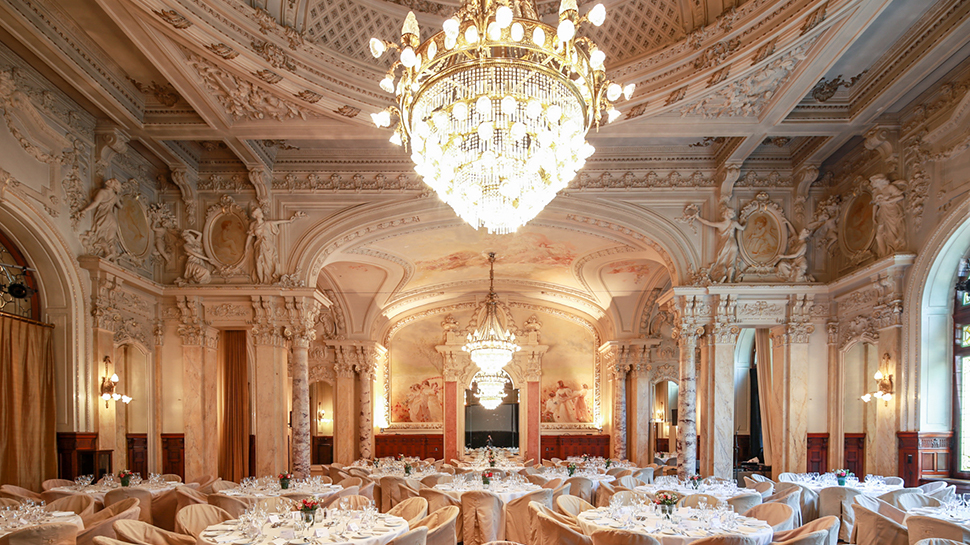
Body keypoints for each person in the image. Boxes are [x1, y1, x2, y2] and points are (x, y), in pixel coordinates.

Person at [691, 205, 746, 283]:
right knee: (731, 262)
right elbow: (742, 228)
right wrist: (744, 221)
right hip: (733, 243)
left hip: (724, 245)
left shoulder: (721, 224)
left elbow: (708, 223)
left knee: (721, 262)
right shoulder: (734, 223)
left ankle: (722, 276)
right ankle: (730, 279)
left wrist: (697, 217)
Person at [79, 178, 123, 259]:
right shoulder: (115, 197)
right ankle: (112, 255)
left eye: (111, 181)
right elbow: (120, 206)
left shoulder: (102, 192)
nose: (108, 181)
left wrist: (85, 210)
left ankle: (107, 252)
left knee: (100, 237)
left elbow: (95, 203)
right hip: (112, 218)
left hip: (104, 216)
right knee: (110, 240)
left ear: (114, 186)